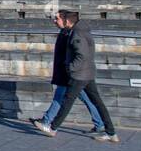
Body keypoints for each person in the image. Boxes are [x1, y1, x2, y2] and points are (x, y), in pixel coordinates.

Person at [33, 10, 119, 143]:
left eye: (57, 19)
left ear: (67, 21)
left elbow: (81, 55)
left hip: (79, 75)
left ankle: (52, 127)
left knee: (67, 102)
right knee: (97, 103)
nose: (55, 21)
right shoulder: (81, 30)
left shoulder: (77, 33)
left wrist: (70, 68)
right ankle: (111, 132)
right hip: (87, 73)